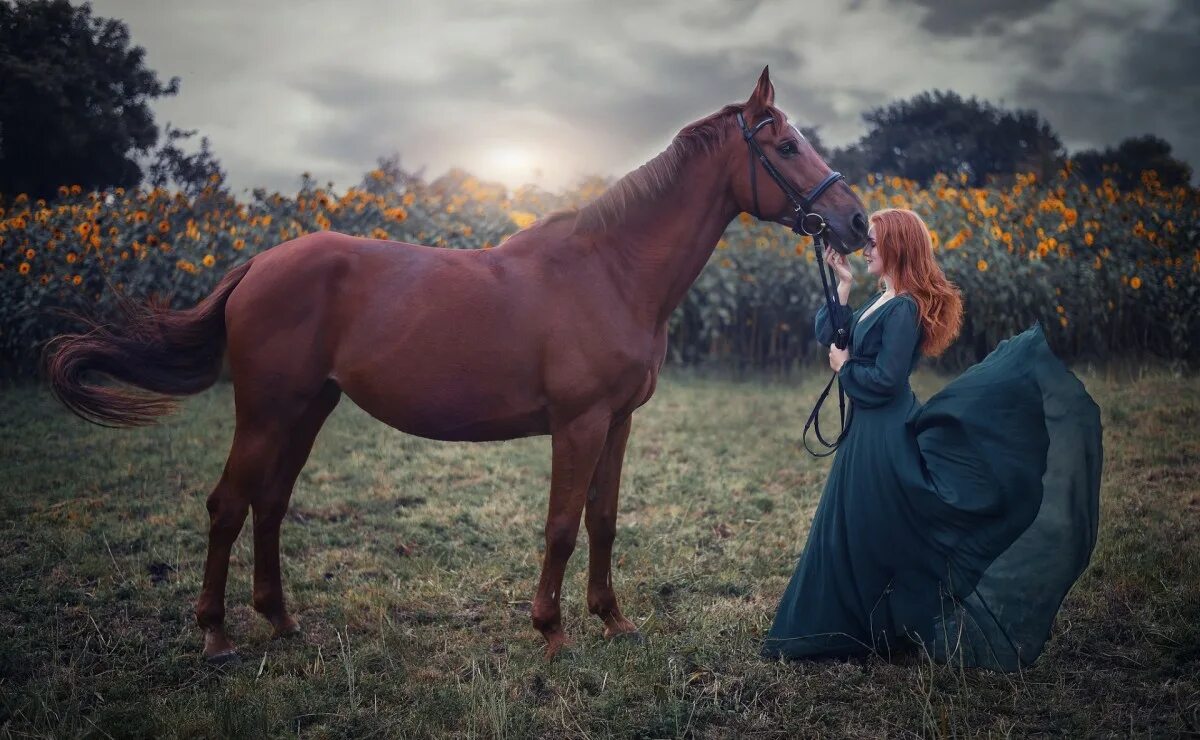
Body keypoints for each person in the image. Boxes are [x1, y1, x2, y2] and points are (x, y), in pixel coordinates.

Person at [761, 208, 1103, 671]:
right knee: (858, 522)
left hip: (884, 429)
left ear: (898, 247)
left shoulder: (904, 309)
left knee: (871, 521)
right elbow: (831, 333)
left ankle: (869, 625)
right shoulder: (883, 299)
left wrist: (845, 368)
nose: (865, 250)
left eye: (874, 243)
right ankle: (862, 624)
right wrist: (841, 285)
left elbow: (884, 379)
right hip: (866, 429)